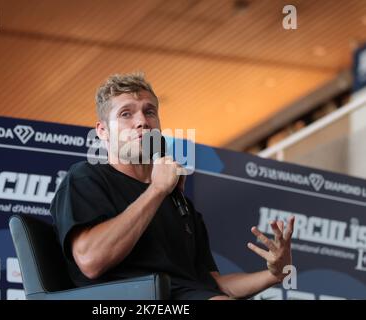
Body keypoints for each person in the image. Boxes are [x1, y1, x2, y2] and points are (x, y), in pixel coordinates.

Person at [50, 72, 295, 300]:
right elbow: (91, 260)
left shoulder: (179, 203)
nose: (142, 122)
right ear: (102, 131)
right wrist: (156, 190)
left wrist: (276, 273)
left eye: (149, 112)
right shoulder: (86, 178)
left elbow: (213, 285)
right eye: (126, 114)